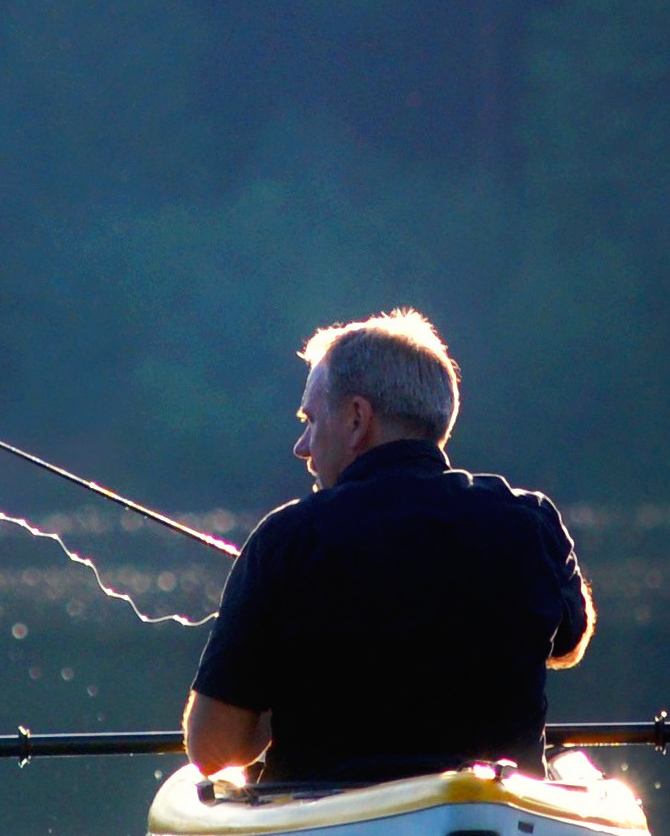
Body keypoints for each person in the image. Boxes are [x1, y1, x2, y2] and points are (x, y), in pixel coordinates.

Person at [180, 309, 590, 791]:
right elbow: (568, 646)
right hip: (496, 819)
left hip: (330, 830)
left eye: (311, 421)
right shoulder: (530, 521)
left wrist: (281, 689)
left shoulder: (287, 538)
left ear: (357, 419)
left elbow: (212, 749)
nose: (302, 446)